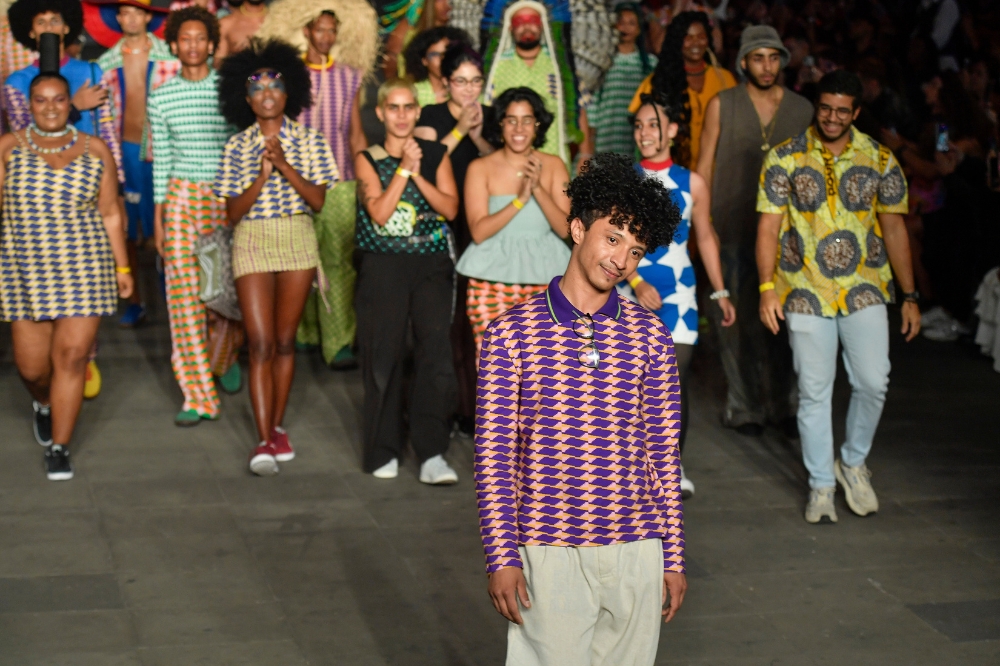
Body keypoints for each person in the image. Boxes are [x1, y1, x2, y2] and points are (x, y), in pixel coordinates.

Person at [475, 153, 686, 665]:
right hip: (548, 549)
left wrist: (673, 555)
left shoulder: (650, 335)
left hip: (637, 547)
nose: (620, 260)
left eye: (635, 251)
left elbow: (663, 452)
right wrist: (502, 555)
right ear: (576, 228)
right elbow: (494, 455)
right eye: (612, 238)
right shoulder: (511, 334)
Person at [756, 70, 920, 524]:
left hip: (865, 286)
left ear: (856, 112)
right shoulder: (785, 158)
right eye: (825, 108)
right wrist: (767, 287)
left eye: (841, 111)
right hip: (804, 288)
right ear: (816, 106)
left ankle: (852, 462)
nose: (831, 117)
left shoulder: (879, 157)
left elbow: (894, 227)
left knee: (873, 381)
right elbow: (767, 226)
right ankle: (821, 485)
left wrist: (910, 295)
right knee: (813, 391)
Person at [214, 39, 339, 475]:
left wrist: (285, 167)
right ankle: (263, 439)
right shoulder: (236, 148)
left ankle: (276, 428)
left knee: (286, 342)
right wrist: (261, 175)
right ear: (245, 99)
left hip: (297, 238)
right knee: (261, 342)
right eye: (256, 88)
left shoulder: (311, 141)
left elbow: (319, 202)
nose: (266, 94)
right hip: (251, 240)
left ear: (290, 93)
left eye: (275, 86)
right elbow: (231, 214)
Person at [0, 71, 133, 481]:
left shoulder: (95, 149)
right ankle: (43, 403)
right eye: (41, 100)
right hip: (24, 270)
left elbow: (111, 213)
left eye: (59, 99)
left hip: (85, 267)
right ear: (30, 104)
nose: (51, 107)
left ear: (68, 103)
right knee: (32, 370)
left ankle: (60, 446)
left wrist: (123, 267)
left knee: (72, 358)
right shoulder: (8, 148)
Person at [695, 25, 813, 437]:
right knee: (734, 322)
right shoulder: (722, 103)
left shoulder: (801, 110)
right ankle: (744, 406)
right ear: (743, 62)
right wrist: (701, 218)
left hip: (788, 236)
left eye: (774, 57)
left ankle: (782, 404)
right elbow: (704, 163)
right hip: (729, 226)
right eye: (758, 57)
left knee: (785, 324)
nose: (767, 65)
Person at [5, 0, 125, 401]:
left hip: (87, 190)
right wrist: (74, 105)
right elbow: (25, 132)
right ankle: (53, 384)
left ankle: (79, 359)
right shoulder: (17, 81)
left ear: (69, 25)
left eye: (56, 19)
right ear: (30, 32)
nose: (50, 27)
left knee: (87, 286)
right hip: (38, 197)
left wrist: (117, 183)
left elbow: (106, 129)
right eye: (41, 22)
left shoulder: (90, 71)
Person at [626, 91, 735, 499]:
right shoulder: (627, 180)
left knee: (673, 381)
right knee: (629, 383)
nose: (644, 133)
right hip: (630, 288)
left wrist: (720, 290)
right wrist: (635, 283)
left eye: (653, 125)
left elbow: (705, 235)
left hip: (680, 292)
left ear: (671, 130)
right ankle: (630, 468)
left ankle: (671, 465)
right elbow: (612, 240)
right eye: (638, 126)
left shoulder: (693, 183)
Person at [258, 0, 377, 369]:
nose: (326, 36)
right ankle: (305, 333)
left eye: (331, 30)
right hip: (293, 179)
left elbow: (355, 132)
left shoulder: (350, 75)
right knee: (297, 260)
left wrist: (363, 177)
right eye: (319, 29)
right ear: (307, 31)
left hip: (339, 179)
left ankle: (338, 341)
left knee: (338, 261)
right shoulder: (288, 78)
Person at [353, 78, 460, 484]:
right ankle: (384, 447)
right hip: (384, 264)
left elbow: (450, 208)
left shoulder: (435, 153)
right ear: (380, 113)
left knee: (435, 354)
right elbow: (379, 212)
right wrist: (403, 169)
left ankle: (432, 452)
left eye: (408, 107)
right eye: (392, 108)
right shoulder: (367, 157)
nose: (401, 115)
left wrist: (417, 173)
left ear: (417, 112)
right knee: (385, 354)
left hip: (430, 263)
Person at [149, 5, 245, 426]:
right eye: (183, 38)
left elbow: (241, 149)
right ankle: (198, 395)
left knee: (222, 295)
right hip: (182, 200)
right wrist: (159, 218)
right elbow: (162, 162)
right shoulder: (162, 97)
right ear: (173, 44)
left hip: (225, 201)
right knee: (183, 300)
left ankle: (223, 356)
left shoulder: (229, 91)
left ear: (211, 44)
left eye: (199, 38)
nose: (191, 45)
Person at [413, 42, 493, 435]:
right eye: (460, 81)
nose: (469, 90)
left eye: (475, 81)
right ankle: (448, 407)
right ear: (445, 83)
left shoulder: (492, 117)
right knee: (447, 320)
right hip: (443, 226)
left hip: (482, 226)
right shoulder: (430, 115)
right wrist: (461, 129)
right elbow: (424, 163)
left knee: (477, 322)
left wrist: (478, 136)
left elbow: (503, 164)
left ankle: (477, 412)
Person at [459, 86, 570, 354]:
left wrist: (538, 190)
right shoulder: (480, 168)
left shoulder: (554, 165)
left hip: (547, 281)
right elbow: (478, 232)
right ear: (501, 124)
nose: (519, 128)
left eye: (527, 120)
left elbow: (567, 229)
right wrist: (519, 199)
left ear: (537, 125)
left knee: (546, 371)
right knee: (495, 372)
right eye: (511, 120)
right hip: (490, 284)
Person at [94, 0, 178, 329]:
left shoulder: (170, 58)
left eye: (137, 12)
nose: (131, 18)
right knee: (126, 228)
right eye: (124, 12)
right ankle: (134, 300)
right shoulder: (105, 63)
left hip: (162, 153)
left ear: (147, 16)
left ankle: (172, 295)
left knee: (166, 226)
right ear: (118, 18)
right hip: (123, 151)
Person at [629, 10, 736, 168]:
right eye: (688, 38)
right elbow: (639, 121)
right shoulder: (659, 80)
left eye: (701, 36)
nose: (696, 43)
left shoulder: (724, 79)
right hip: (673, 174)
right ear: (677, 41)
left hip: (717, 173)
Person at [482, 1, 581, 166]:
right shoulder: (496, 66)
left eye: (533, 21)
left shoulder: (559, 65)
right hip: (508, 160)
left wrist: (585, 152)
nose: (527, 27)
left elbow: (578, 106)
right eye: (520, 22)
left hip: (553, 155)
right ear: (509, 27)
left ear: (543, 25)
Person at [584, 2, 656, 157]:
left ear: (639, 29)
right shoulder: (601, 61)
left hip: (638, 140)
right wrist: (588, 145)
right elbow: (592, 107)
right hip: (605, 138)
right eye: (621, 22)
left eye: (631, 23)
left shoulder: (651, 64)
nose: (626, 28)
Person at [402, 25, 469, 108]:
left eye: (447, 54)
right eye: (435, 55)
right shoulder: (411, 93)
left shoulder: (469, 91)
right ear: (424, 60)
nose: (442, 59)